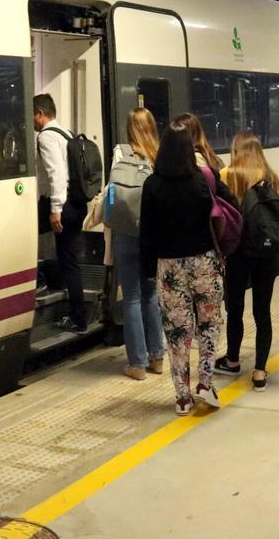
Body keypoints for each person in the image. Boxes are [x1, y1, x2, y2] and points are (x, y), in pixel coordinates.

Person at [140, 121, 238, 415]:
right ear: (189, 150)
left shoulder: (152, 185)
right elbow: (232, 203)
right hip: (204, 263)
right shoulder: (204, 178)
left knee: (176, 332)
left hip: (169, 268)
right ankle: (205, 383)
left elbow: (147, 233)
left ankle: (182, 397)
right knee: (209, 325)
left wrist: (148, 269)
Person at [214, 131, 279, 392]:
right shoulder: (271, 176)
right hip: (267, 253)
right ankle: (260, 371)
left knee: (235, 309)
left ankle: (232, 360)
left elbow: (220, 213)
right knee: (262, 312)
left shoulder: (228, 175)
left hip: (238, 252)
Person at [111, 108, 166, 381]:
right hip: (151, 235)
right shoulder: (159, 155)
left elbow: (111, 193)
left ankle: (137, 363)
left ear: (129, 128)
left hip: (125, 233)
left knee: (131, 297)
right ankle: (157, 357)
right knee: (151, 295)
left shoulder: (120, 153)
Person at [34, 93, 88, 334]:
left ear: (40, 114)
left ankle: (78, 318)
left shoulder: (46, 137)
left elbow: (56, 173)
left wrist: (55, 209)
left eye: (33, 116)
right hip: (77, 203)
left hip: (63, 205)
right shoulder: (66, 133)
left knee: (68, 262)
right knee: (71, 261)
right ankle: (78, 315)